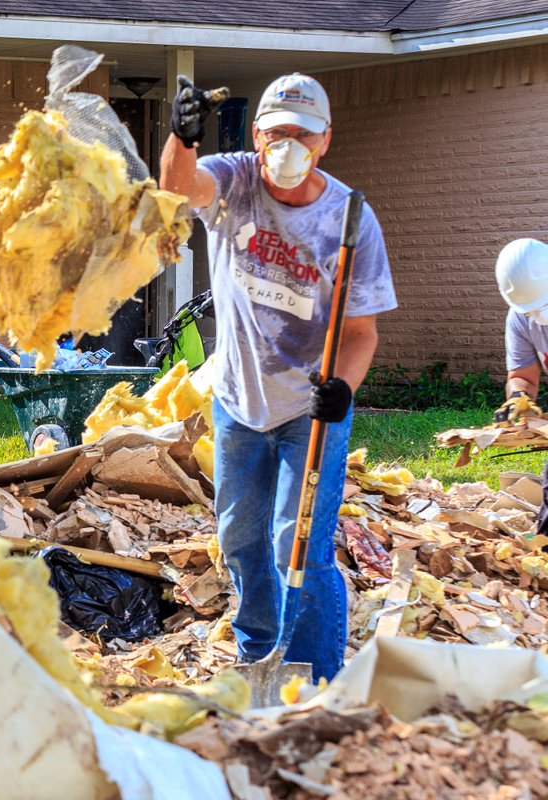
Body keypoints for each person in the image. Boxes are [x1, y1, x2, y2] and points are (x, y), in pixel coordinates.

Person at [160, 73, 398, 681]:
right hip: (239, 402)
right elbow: (176, 187)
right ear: (257, 135)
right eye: (276, 134)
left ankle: (315, 672)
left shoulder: (349, 218)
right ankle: (260, 654)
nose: (288, 146)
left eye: (302, 135)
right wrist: (182, 135)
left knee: (299, 548)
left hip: (308, 410)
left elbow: (361, 332)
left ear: (324, 142)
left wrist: (340, 389)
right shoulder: (235, 181)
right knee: (241, 541)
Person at [493, 238, 548, 536]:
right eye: (532, 311)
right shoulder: (520, 318)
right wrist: (519, 397)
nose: (539, 318)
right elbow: (523, 376)